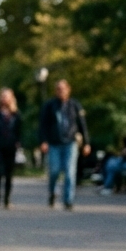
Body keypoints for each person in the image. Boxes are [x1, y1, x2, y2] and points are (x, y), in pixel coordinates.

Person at [39, 79, 91, 210]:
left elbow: (82, 125)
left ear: (68, 89)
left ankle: (68, 200)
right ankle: (52, 192)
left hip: (70, 143)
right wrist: (43, 141)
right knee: (55, 171)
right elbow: (43, 126)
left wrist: (86, 143)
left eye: (63, 89)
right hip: (54, 143)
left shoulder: (74, 105)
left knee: (69, 172)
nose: (60, 91)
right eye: (58, 89)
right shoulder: (50, 106)